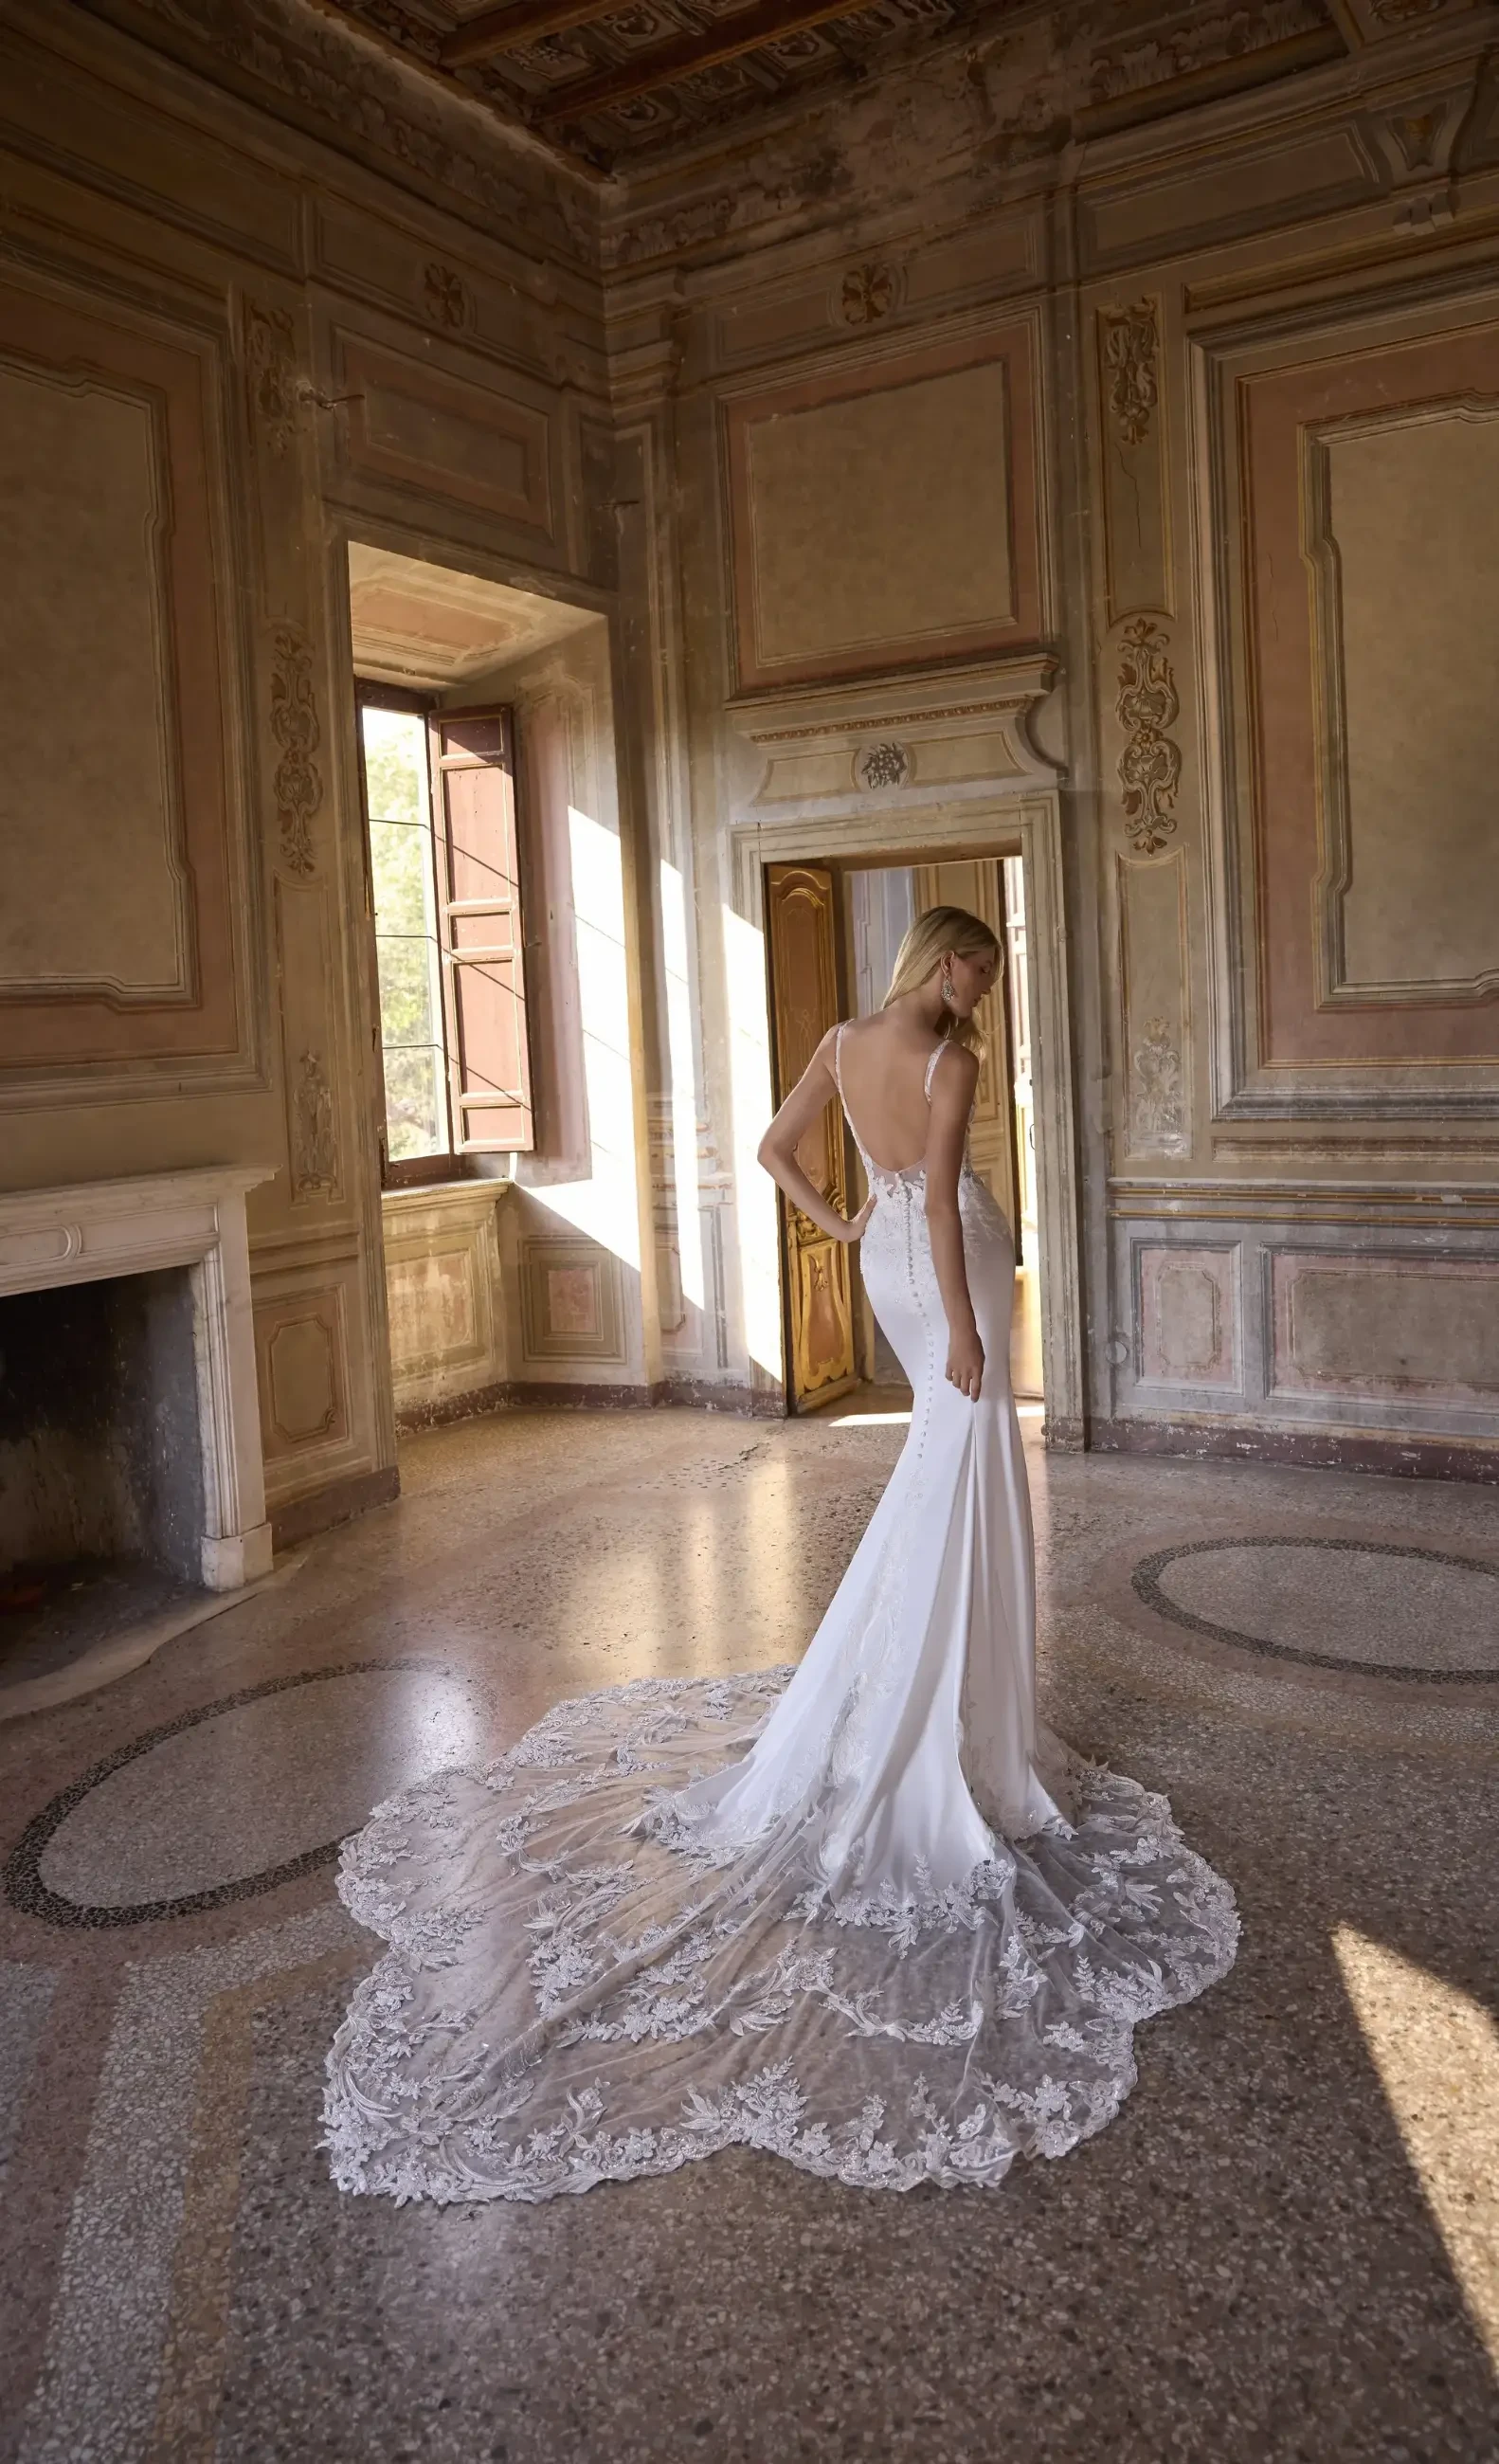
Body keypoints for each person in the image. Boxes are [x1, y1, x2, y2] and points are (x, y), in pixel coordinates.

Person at [325, 906, 1237, 2203]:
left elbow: (771, 1152)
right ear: (940, 960)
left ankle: (926, 1692)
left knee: (942, 1471)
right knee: (959, 1466)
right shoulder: (951, 1059)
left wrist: (843, 1224)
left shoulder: (844, 1040)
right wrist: (965, 1323)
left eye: (987, 975)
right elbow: (937, 1201)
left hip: (890, 1265)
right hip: (948, 1271)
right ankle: (934, 1712)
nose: (982, 989)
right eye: (976, 968)